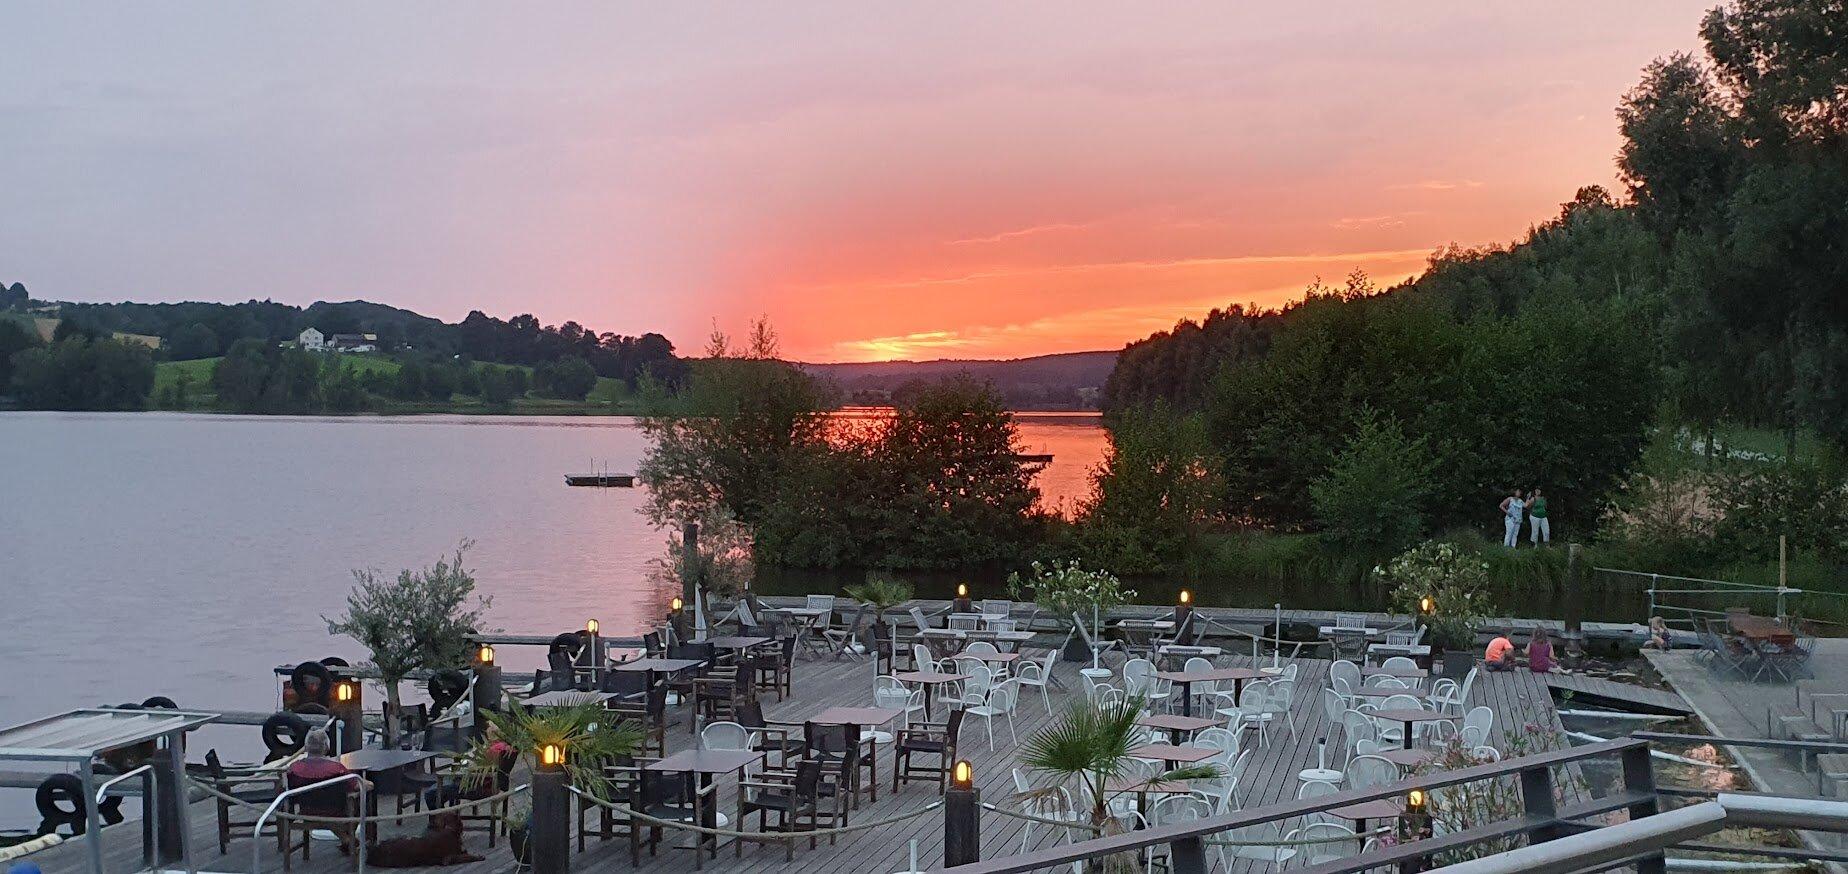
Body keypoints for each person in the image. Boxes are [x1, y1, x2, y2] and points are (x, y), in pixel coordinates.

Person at [286, 729, 369, 853]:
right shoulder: (337, 769)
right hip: (336, 813)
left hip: (306, 811)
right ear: (326, 747)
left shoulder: (294, 768)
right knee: (360, 799)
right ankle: (350, 839)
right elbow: (355, 786)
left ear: (306, 747)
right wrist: (370, 783)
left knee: (325, 808)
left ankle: (346, 839)